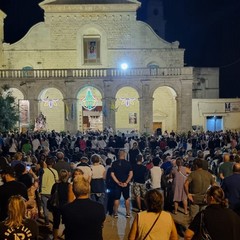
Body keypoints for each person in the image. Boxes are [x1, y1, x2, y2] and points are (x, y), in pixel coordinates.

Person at [62, 175, 106, 240]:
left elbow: (67, 224)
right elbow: (101, 224)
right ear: (88, 189)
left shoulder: (66, 208)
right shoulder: (99, 207)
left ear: (73, 190)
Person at [111, 149, 133, 218]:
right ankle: (128, 213)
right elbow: (131, 174)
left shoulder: (114, 163)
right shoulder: (128, 163)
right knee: (127, 198)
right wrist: (126, 182)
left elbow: (112, 174)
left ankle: (115, 214)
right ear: (124, 155)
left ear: (118, 155)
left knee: (117, 199)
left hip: (117, 184)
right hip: (125, 184)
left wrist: (117, 182)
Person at [50, 169, 69, 240]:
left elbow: (52, 194)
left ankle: (55, 237)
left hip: (57, 205)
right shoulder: (69, 185)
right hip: (66, 205)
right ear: (67, 176)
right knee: (67, 222)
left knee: (56, 222)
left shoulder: (55, 185)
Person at [40, 156, 58, 226]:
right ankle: (54, 220)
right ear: (53, 163)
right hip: (52, 191)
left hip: (44, 191)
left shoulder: (42, 171)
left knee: (45, 206)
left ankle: (46, 220)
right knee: (53, 206)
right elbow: (56, 181)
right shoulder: (55, 171)